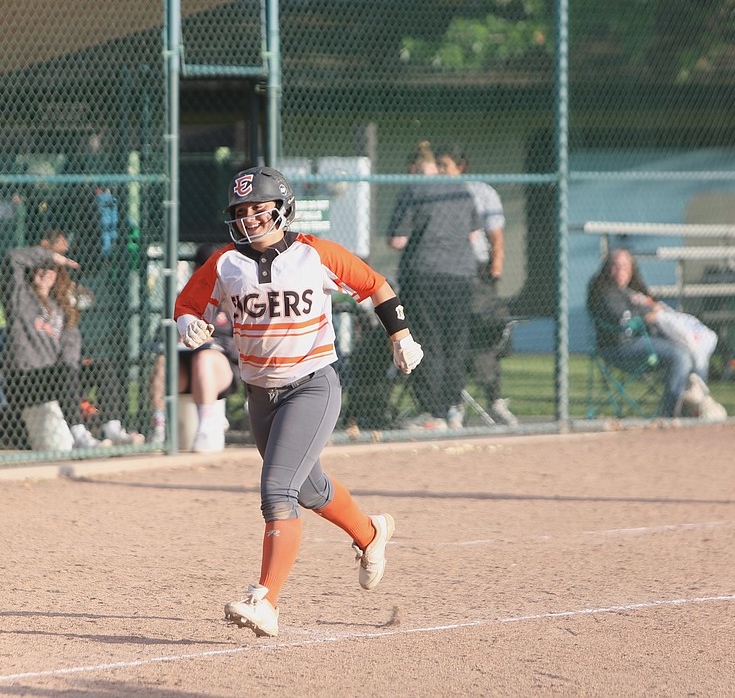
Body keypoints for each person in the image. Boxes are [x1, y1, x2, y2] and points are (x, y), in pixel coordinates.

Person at [174, 165, 424, 637]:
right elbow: (187, 304)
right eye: (241, 211)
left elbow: (375, 285)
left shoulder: (314, 253)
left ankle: (265, 600)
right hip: (260, 394)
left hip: (311, 384)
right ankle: (371, 533)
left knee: (277, 492)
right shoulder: (225, 263)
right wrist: (187, 324)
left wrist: (401, 336)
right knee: (308, 490)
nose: (249, 218)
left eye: (258, 208)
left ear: (282, 208)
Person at [387, 141, 482, 430]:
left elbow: (397, 241)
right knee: (455, 342)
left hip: (424, 275)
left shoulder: (414, 191)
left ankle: (433, 411)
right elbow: (475, 236)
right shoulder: (462, 190)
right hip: (461, 276)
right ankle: (453, 407)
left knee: (428, 341)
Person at [437, 143, 518, 426]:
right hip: (445, 274)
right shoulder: (431, 193)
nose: (440, 171)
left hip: (477, 273)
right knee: (454, 338)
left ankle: (494, 398)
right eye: (438, 165)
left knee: (485, 334)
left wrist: (495, 269)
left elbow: (496, 236)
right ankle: (453, 403)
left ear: (461, 166)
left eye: (445, 165)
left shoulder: (481, 192)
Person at [1, 232, 100, 449]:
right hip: (25, 381)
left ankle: (112, 427)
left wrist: (74, 370)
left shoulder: (61, 308)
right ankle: (79, 433)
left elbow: (71, 348)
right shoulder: (20, 297)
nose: (46, 273)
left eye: (51, 269)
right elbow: (13, 258)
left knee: (100, 368)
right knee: (64, 372)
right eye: (41, 267)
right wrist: (55, 257)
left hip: (57, 378)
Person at [586, 248, 710, 418]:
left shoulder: (633, 292)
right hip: (620, 347)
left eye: (625, 266)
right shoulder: (604, 292)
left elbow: (653, 307)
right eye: (615, 266)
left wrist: (655, 310)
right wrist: (646, 316)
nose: (620, 270)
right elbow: (622, 319)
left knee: (693, 349)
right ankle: (669, 415)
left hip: (645, 343)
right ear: (607, 268)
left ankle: (695, 406)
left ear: (631, 269)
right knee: (679, 355)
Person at [148, 242, 240, 450]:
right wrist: (180, 338)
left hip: (220, 368)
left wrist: (213, 342)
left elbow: (242, 344)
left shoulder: (233, 298)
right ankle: (160, 426)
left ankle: (205, 428)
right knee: (164, 361)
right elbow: (160, 337)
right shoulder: (187, 298)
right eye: (202, 266)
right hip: (184, 365)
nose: (207, 272)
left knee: (203, 358)